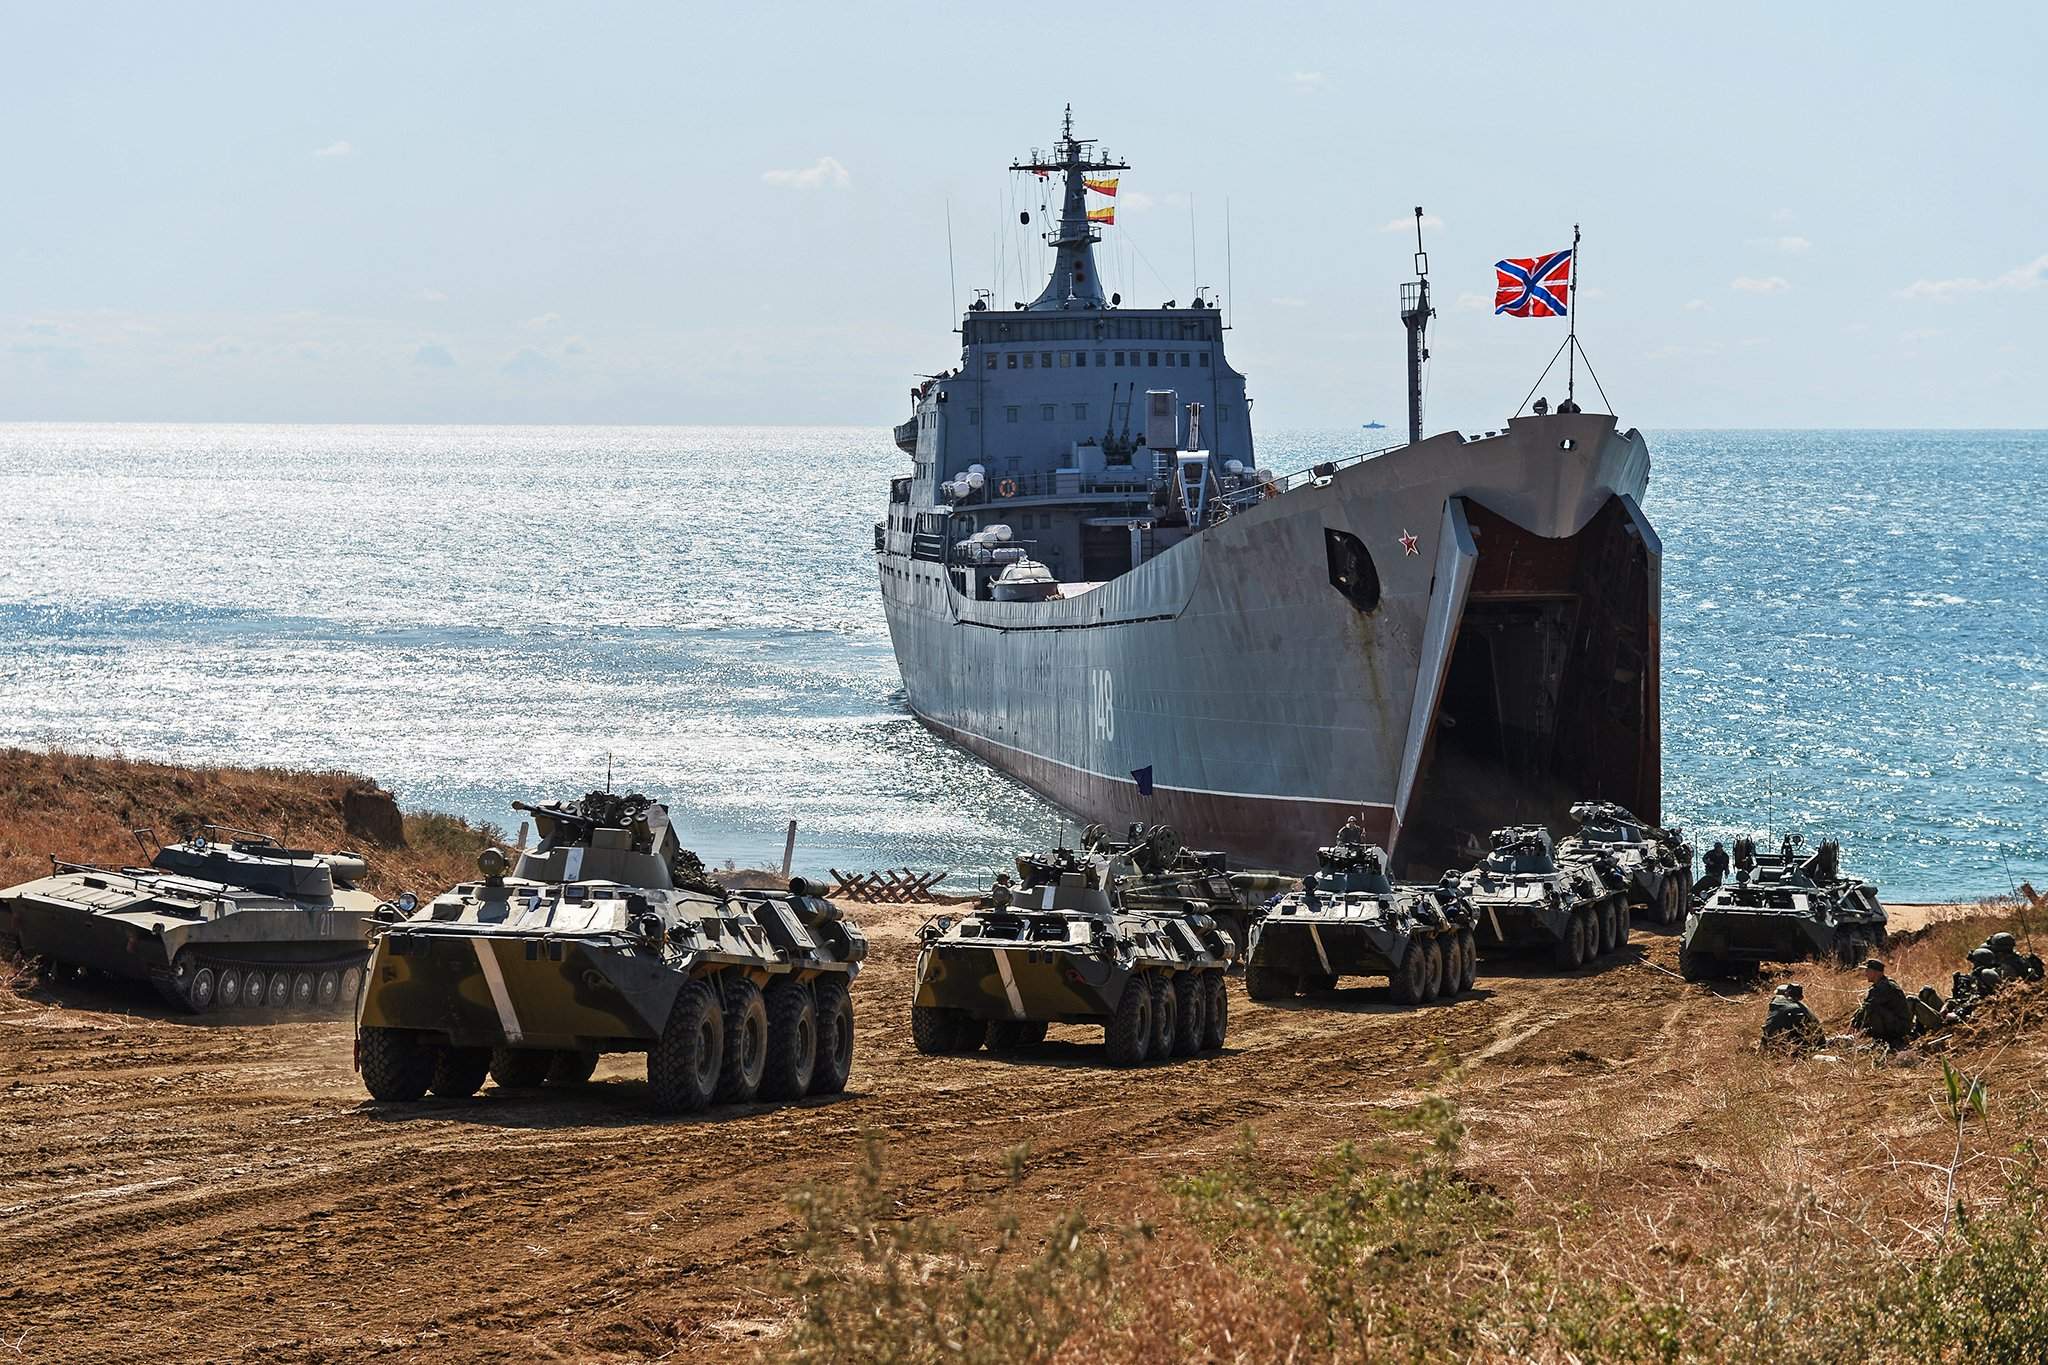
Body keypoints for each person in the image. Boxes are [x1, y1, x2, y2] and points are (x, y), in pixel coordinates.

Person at [1850, 958, 1913, 1049]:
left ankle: (1884, 1041)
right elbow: (1864, 1006)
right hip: (1894, 1022)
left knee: (1874, 1009)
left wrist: (1854, 1025)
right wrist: (1854, 1021)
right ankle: (1881, 1040)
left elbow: (1869, 1007)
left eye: (1868, 970)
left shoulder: (1885, 987)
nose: (1866, 973)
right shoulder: (1879, 985)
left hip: (1900, 1027)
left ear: (1877, 973)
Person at [1760, 982, 1823, 1053]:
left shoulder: (1776, 1006)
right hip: (1800, 1047)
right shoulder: (1801, 1007)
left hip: (1777, 1048)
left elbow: (1768, 1030)